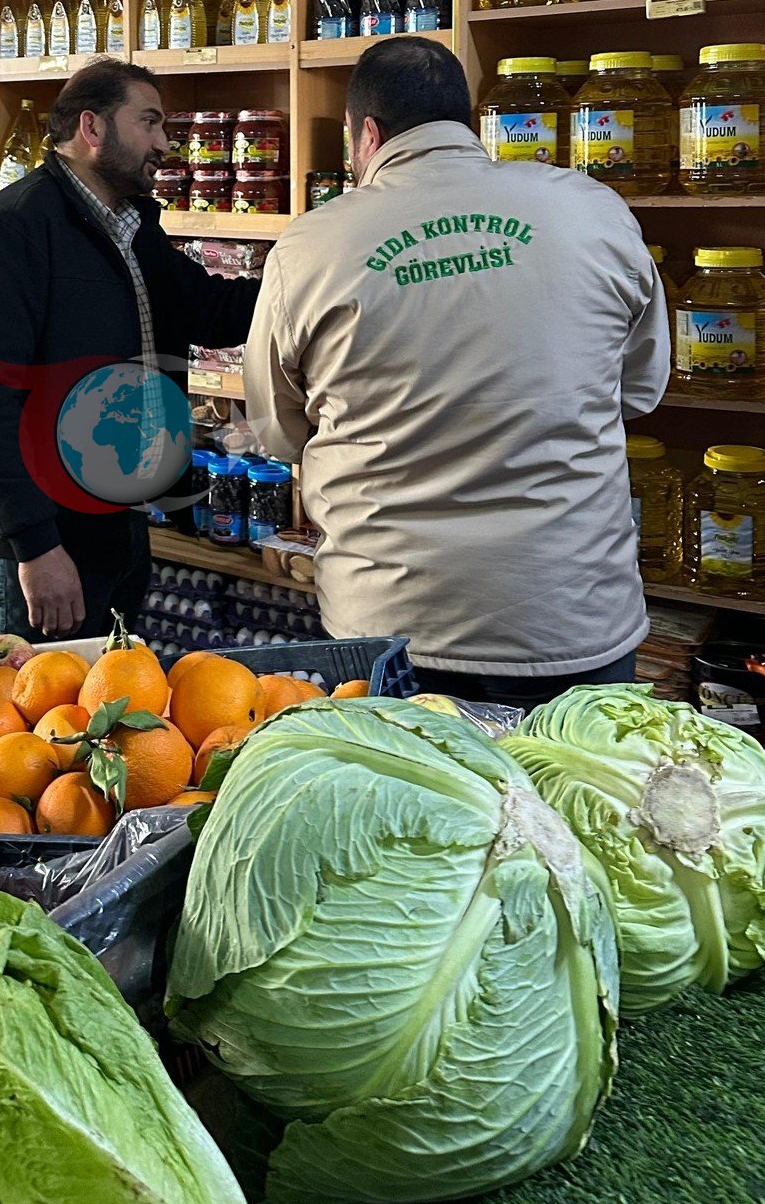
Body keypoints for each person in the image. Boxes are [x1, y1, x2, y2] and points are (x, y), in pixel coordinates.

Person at [244, 37, 670, 708]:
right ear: (467, 127)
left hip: (394, 626)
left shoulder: (312, 244)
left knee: (412, 813)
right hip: (572, 615)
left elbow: (275, 431)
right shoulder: (593, 209)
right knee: (575, 808)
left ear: (367, 135)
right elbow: (640, 390)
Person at [0, 60, 259, 640]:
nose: (164, 142)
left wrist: (313, 275)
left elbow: (211, 311)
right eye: (149, 122)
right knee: (30, 717)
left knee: (110, 709)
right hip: (42, 541)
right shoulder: (11, 231)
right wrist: (35, 546)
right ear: (92, 129)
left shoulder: (133, 228)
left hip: (117, 523)